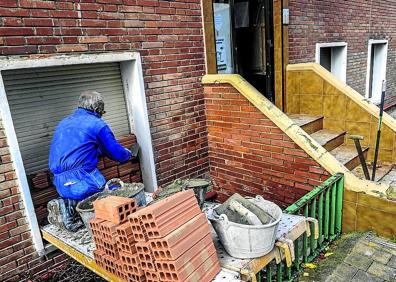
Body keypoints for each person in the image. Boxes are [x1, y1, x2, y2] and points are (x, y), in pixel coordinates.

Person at [47, 91, 132, 231]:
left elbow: (75, 149)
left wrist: (96, 150)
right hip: (84, 177)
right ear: (97, 108)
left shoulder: (64, 123)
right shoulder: (97, 124)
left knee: (82, 198)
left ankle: (67, 206)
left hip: (60, 182)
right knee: (112, 196)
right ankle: (75, 210)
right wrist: (128, 154)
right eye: (101, 111)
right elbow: (116, 153)